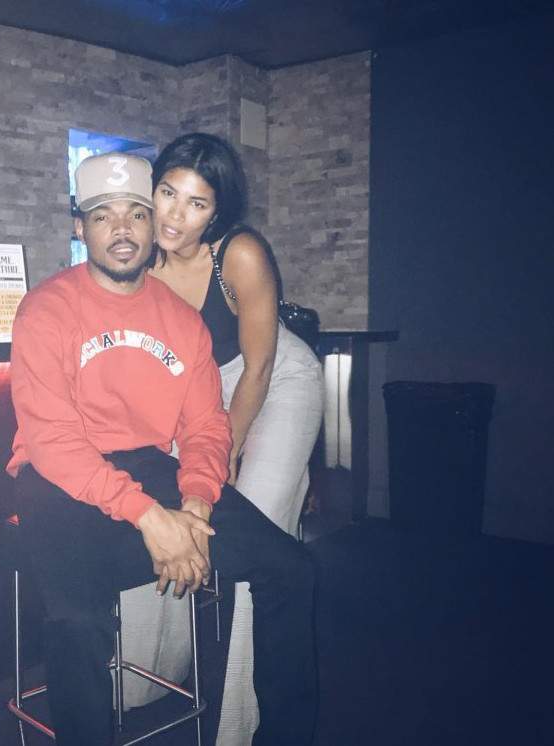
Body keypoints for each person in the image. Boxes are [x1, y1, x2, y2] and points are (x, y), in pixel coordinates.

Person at [6, 152, 317, 746]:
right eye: (103, 216)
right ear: (80, 227)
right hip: (58, 478)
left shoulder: (181, 320)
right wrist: (153, 518)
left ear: (153, 226)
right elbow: (52, 441)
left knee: (291, 569)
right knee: (78, 621)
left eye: (136, 214)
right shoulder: (46, 309)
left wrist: (195, 504)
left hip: (150, 466)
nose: (122, 229)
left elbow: (206, 428)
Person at [148, 133, 325, 745]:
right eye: (167, 192)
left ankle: (240, 725)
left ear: (217, 212)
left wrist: (221, 456)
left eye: (196, 203)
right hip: (200, 392)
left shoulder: (240, 254)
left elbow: (260, 366)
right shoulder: (141, 255)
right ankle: (153, 679)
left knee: (257, 538)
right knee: (168, 514)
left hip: (273, 379)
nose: (175, 215)